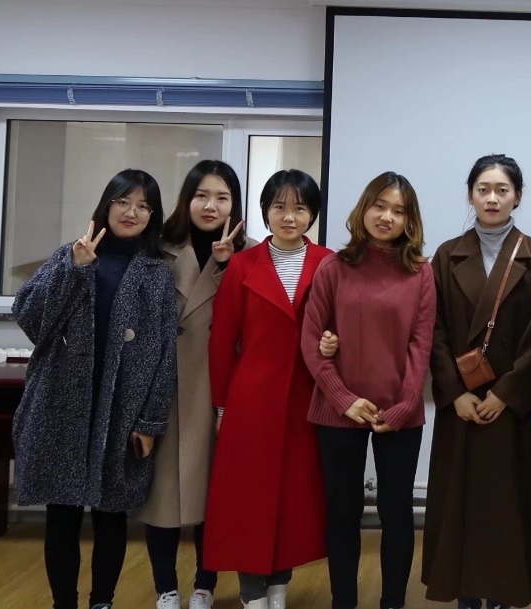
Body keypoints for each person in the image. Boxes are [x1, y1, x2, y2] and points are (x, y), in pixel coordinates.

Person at [12, 169, 177, 609]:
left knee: (111, 514)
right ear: (107, 205)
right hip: (63, 405)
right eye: (124, 201)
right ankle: (63, 603)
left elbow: (166, 354)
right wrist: (73, 269)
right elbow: (30, 318)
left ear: (153, 216)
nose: (131, 212)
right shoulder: (72, 254)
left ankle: (102, 601)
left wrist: (150, 421)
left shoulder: (157, 274)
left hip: (121, 408)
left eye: (143, 206)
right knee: (61, 514)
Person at [420, 154, 531, 609]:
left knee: (506, 504)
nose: (492, 198)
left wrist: (506, 393)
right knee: (460, 502)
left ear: (518, 196)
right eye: (483, 189)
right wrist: (455, 393)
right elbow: (433, 330)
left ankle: (503, 594)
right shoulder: (445, 254)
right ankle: (467, 596)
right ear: (470, 195)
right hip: (462, 406)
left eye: (502, 190)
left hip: (511, 406)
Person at [301, 171, 436, 609]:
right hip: (337, 411)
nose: (387, 216)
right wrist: (344, 399)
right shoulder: (333, 268)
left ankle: (392, 601)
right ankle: (344, 601)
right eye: (380, 205)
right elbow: (312, 340)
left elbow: (421, 344)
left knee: (397, 513)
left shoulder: (421, 273)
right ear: (364, 208)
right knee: (343, 512)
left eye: (398, 211)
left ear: (409, 220)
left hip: (399, 414)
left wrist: (405, 404)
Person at [204, 170, 331, 609]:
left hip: (307, 399)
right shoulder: (242, 265)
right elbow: (222, 342)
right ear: (265, 211)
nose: (289, 217)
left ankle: (278, 588)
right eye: (279, 207)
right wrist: (221, 407)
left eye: (300, 208)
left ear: (313, 214)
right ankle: (252, 592)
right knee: (249, 497)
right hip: (251, 401)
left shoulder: (329, 263)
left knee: (294, 499)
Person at [139, 160, 254, 609]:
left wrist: (227, 267)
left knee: (213, 495)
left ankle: (205, 585)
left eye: (222, 197)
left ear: (235, 205)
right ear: (187, 199)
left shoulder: (249, 256)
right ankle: (166, 588)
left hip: (222, 390)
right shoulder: (158, 249)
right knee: (163, 497)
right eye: (202, 195)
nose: (211, 206)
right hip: (166, 389)